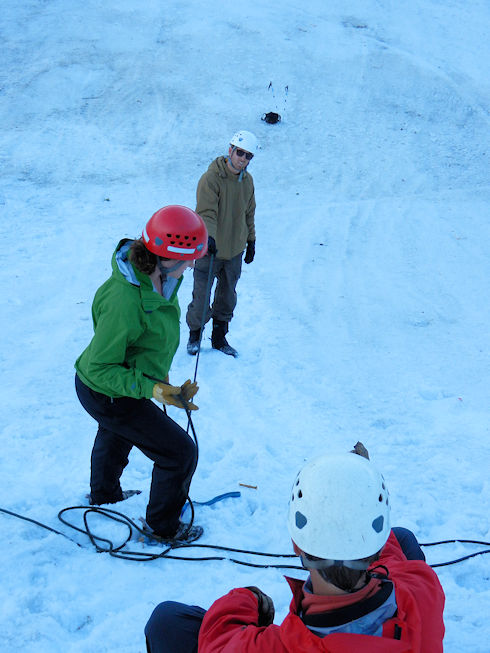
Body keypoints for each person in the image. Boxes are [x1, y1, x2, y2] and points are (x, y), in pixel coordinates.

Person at [144, 444, 445, 652]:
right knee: (402, 537)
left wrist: (247, 599)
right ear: (375, 544)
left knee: (166, 622)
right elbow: (390, 553)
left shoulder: (278, 647)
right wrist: (359, 485)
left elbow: (218, 642)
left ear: (296, 543)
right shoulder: (422, 589)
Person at [75, 205, 208, 544]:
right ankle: (162, 526)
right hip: (106, 388)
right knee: (179, 453)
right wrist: (152, 389)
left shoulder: (160, 280)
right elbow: (101, 367)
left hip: (120, 386)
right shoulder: (126, 300)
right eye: (188, 258)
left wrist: (157, 384)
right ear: (165, 256)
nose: (192, 265)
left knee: (115, 434)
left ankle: (104, 496)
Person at [186, 130, 258, 358]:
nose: (243, 159)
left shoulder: (247, 181)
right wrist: (210, 238)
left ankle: (219, 337)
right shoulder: (211, 178)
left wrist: (251, 240)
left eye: (248, 156)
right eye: (240, 153)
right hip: (210, 249)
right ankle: (195, 335)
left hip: (234, 251)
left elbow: (249, 213)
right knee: (201, 295)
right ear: (230, 150)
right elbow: (206, 212)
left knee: (227, 297)